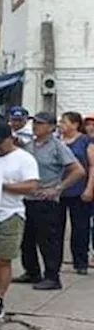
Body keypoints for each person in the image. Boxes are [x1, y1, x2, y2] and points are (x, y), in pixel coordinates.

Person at [0, 122, 40, 320]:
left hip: (9, 213)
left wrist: (4, 186)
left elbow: (31, 186)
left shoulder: (24, 159)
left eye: (0, 143)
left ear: (10, 139)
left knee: (4, 258)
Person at [18, 112, 83, 291]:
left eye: (40, 123)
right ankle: (32, 272)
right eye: (35, 123)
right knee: (27, 240)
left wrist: (58, 188)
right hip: (28, 198)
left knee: (48, 240)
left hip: (47, 201)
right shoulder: (29, 146)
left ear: (51, 127)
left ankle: (52, 276)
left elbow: (78, 170)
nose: (35, 126)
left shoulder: (57, 147)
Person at [59, 111, 94, 276]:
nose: (61, 125)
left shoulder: (86, 141)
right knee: (55, 229)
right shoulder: (57, 141)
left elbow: (92, 166)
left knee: (80, 228)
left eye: (65, 122)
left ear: (74, 124)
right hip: (59, 190)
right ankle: (54, 262)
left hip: (79, 190)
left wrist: (89, 188)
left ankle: (80, 261)